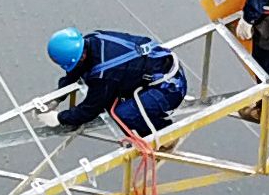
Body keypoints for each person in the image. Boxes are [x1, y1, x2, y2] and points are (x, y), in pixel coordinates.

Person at [43, 28, 187, 133]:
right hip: (159, 65)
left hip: (169, 88)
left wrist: (59, 118)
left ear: (80, 57)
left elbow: (89, 110)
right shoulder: (94, 38)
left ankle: (163, 133)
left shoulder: (104, 74)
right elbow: (75, 71)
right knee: (93, 81)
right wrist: (57, 97)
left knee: (123, 114)